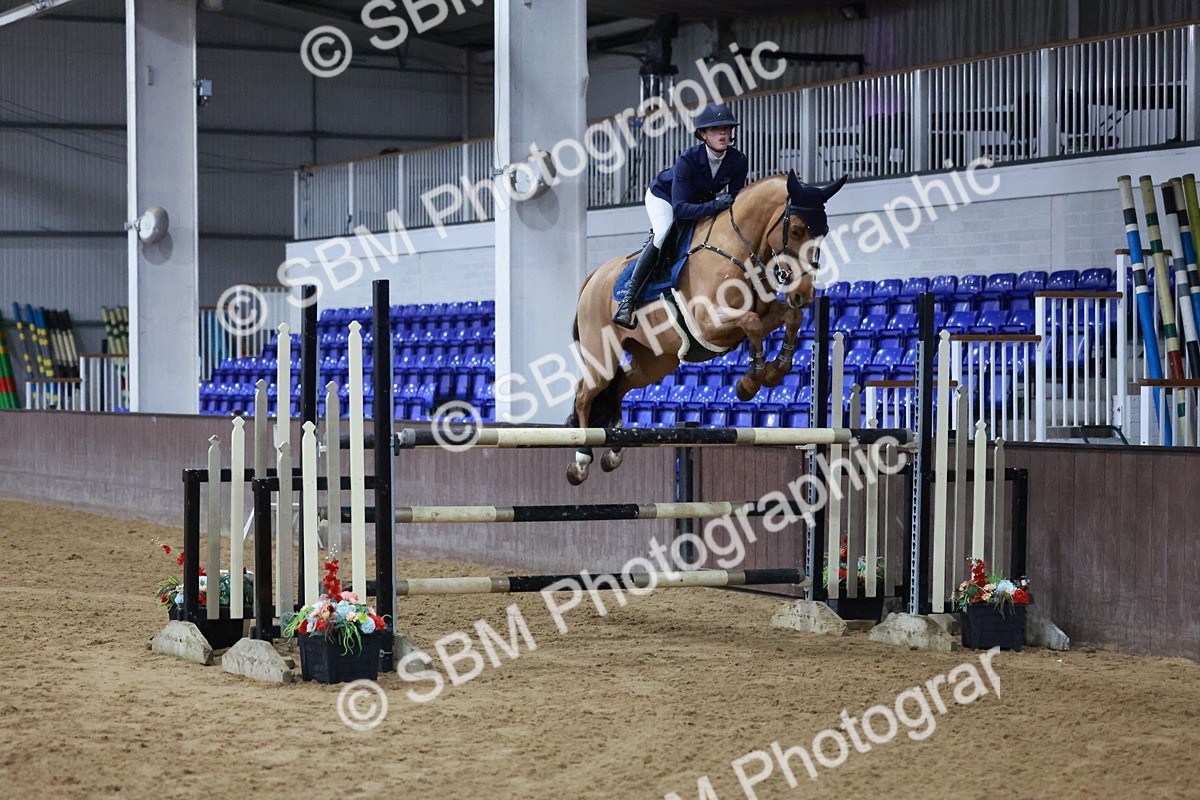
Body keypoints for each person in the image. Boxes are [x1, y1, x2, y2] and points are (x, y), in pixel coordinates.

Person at [612, 102, 750, 329]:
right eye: (716, 130)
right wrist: (715, 205)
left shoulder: (737, 160)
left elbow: (735, 200)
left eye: (726, 128)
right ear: (703, 134)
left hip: (699, 202)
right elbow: (680, 210)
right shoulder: (688, 159)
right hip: (665, 197)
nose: (723, 133)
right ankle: (628, 301)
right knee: (663, 231)